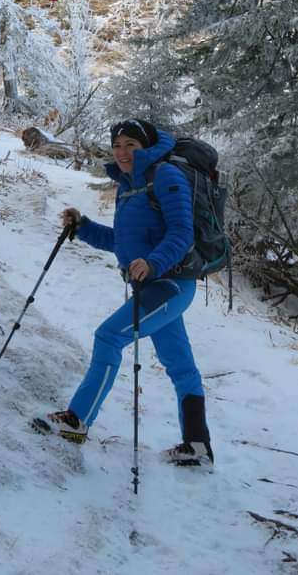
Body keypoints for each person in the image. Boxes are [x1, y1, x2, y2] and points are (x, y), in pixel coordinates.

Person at [40, 118, 214, 467]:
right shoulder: (129, 185)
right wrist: (84, 227)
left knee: (108, 337)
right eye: (117, 145)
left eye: (130, 145)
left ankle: (77, 420)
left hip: (171, 283)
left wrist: (152, 262)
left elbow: (182, 234)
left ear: (145, 147)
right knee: (181, 366)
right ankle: (198, 447)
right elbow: (121, 241)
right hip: (153, 285)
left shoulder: (164, 176)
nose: (121, 152)